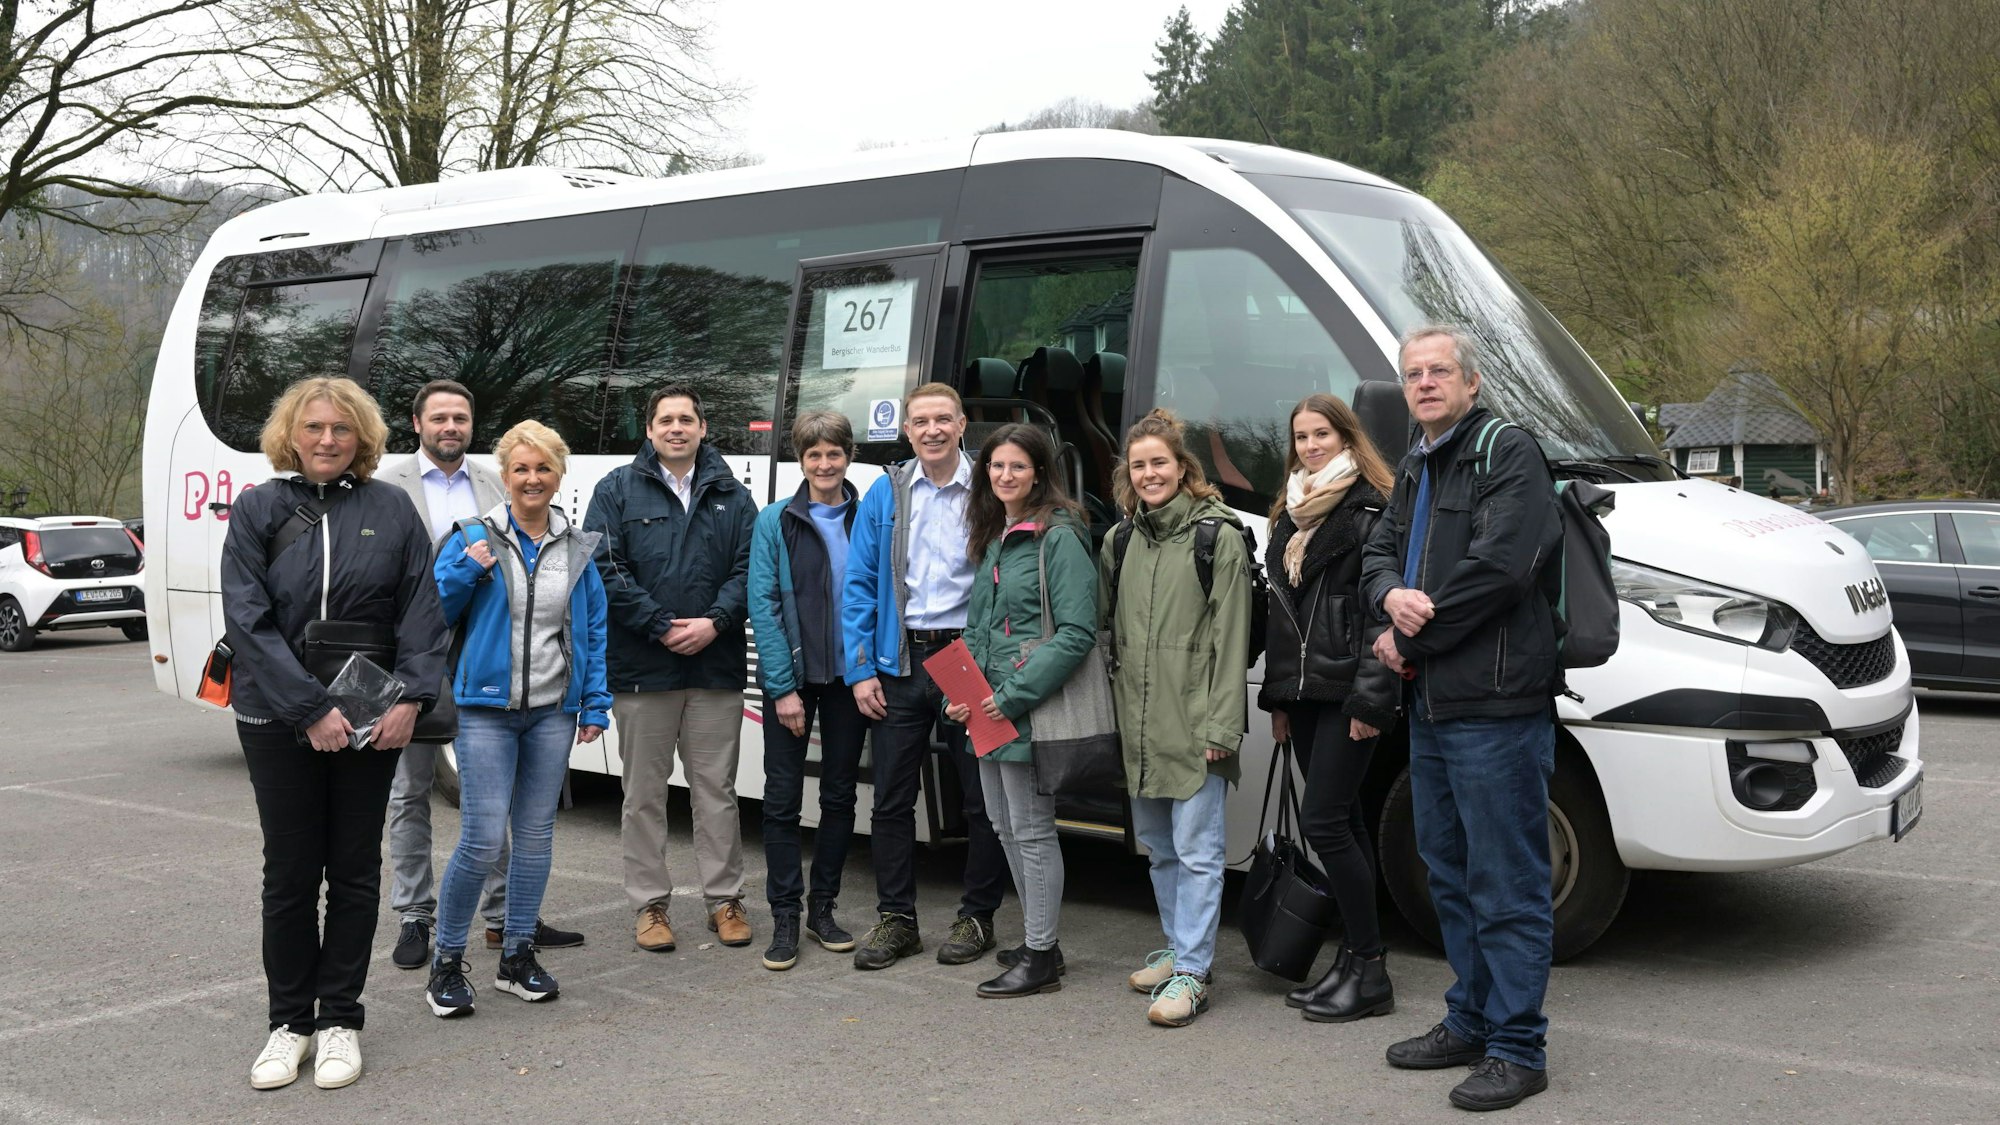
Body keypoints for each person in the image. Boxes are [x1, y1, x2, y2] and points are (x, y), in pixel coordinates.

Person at [223, 377, 447, 1091]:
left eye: (341, 429)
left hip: (372, 720)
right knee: (289, 873)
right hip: (278, 717)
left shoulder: (391, 507)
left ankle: (341, 1018)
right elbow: (247, 620)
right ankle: (289, 1022)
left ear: (363, 438)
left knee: (353, 869)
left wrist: (412, 698)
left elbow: (421, 612)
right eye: (314, 427)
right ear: (292, 433)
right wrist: (310, 707)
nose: (327, 440)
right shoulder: (259, 508)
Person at [1361, 325, 1562, 1112]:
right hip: (1435, 706)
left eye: (1439, 370)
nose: (1424, 383)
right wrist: (1386, 599)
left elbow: (1503, 570)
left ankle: (1519, 1047)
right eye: (1413, 373)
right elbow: (1380, 551)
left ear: (1472, 383)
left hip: (1498, 705)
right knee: (1448, 871)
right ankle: (1471, 1019)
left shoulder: (1508, 451)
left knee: (1506, 881)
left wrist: (1411, 638)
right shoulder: (1415, 460)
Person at [375, 380, 584, 972]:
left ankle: (503, 919)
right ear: (416, 424)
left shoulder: (497, 482)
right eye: (438, 417)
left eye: (460, 418)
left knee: (490, 807)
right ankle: (417, 915)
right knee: (411, 791)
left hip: (487, 665)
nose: (450, 427)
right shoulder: (388, 487)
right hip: (412, 660)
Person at [423, 421, 611, 1018]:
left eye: (544, 468)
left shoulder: (576, 546)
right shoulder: (473, 536)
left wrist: (594, 701)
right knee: (481, 839)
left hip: (552, 712)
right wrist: (466, 569)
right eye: (521, 469)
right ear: (504, 477)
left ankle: (517, 956)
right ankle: (446, 963)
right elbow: (432, 612)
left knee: (534, 839)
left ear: (559, 476)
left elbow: (593, 629)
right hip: (483, 712)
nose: (533, 479)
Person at [841, 382, 1008, 970]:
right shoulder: (887, 493)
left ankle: (977, 916)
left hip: (967, 660)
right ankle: (897, 920)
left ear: (963, 425)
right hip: (901, 661)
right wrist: (861, 670)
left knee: (981, 798)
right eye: (920, 421)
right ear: (906, 431)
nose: (932, 430)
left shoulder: (991, 486)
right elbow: (859, 585)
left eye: (943, 419)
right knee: (890, 799)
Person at [586, 385, 759, 953]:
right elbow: (606, 568)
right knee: (643, 795)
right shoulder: (615, 490)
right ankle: (650, 907)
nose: (676, 428)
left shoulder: (734, 494)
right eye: (666, 420)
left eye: (687, 419)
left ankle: (724, 900)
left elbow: (749, 570)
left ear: (703, 427)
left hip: (716, 666)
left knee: (716, 792)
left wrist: (714, 622)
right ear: (650, 429)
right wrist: (660, 624)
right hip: (643, 668)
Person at [1098, 409, 1250, 1028]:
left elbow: (1232, 640)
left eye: (1160, 462)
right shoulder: (1121, 540)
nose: (1149, 473)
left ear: (1183, 467)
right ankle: (1177, 949)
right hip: (1139, 723)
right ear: (1127, 475)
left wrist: (1220, 728)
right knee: (1160, 849)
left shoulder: (1219, 537)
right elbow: (1110, 634)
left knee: (1197, 851)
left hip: (1193, 724)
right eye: (1139, 466)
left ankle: (1194, 971)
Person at [1260, 393, 1401, 1022]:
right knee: (1342, 825)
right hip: (1307, 695)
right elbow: (1283, 622)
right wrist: (1279, 700)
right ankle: (1354, 960)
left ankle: (1369, 967)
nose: (1311, 445)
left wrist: (1372, 698)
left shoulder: (1372, 509)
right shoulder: (1290, 514)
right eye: (1301, 437)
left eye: (1322, 434)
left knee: (1325, 823)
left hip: (1350, 695)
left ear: (1348, 439)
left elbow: (1382, 614)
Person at [943, 423, 1097, 998]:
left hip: (1023, 705)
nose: (1005, 476)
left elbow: (1078, 632)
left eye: (1018, 467)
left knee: (1031, 832)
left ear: (1040, 473)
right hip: (984, 705)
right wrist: (956, 694)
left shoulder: (1060, 534)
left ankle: (1039, 956)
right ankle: (1041, 939)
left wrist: (1008, 697)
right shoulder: (998, 529)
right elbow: (980, 627)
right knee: (1004, 826)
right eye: (996, 467)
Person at [746, 411, 866, 971]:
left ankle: (824, 909)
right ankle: (785, 916)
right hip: (792, 683)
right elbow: (764, 607)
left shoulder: (868, 517)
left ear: (848, 456)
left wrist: (869, 668)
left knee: (840, 797)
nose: (824, 464)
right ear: (802, 460)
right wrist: (783, 688)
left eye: (834, 453)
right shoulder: (775, 520)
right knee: (781, 800)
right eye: (814, 455)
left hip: (851, 680)